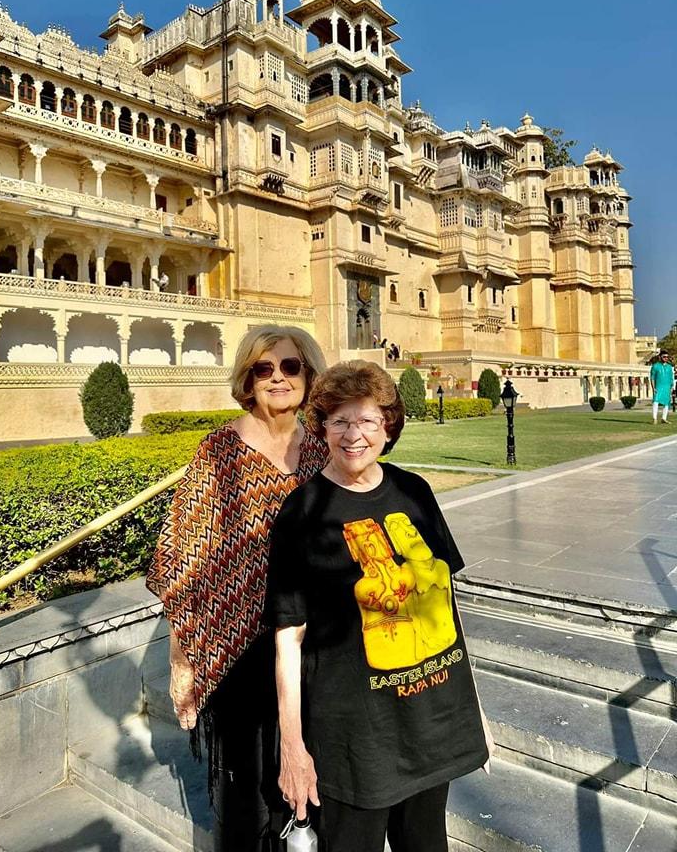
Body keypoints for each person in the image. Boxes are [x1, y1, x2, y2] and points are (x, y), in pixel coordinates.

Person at [268, 361, 493, 852]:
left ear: (388, 428)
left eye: (369, 421)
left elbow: (446, 612)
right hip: (356, 739)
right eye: (340, 421)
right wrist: (293, 747)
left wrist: (474, 715)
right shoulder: (302, 511)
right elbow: (289, 636)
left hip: (433, 722)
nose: (354, 435)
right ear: (320, 426)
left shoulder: (415, 491)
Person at [146, 325, 328, 852]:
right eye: (263, 369)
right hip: (240, 648)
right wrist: (184, 655)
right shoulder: (220, 451)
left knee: (309, 775)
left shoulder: (322, 448)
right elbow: (184, 556)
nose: (277, 378)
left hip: (312, 642)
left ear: (308, 375)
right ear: (247, 380)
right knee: (245, 791)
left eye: (290, 367)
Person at [651, 350, 674, 424]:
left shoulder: (669, 367)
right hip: (658, 386)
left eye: (667, 357)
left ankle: (664, 418)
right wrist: (653, 387)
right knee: (656, 401)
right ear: (660, 357)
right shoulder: (655, 366)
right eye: (664, 357)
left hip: (667, 386)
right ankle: (654, 418)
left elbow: (671, 378)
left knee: (666, 403)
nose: (666, 358)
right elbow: (652, 378)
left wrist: (671, 387)